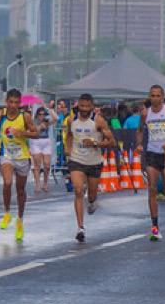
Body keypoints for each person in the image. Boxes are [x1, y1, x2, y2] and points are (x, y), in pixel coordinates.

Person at [63, 94, 114, 242]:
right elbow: (69, 136)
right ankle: (80, 228)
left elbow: (111, 141)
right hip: (76, 160)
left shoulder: (98, 120)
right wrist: (67, 149)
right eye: (81, 106)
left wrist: (95, 144)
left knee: (91, 195)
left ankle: (92, 201)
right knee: (78, 191)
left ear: (92, 106)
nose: (84, 109)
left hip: (94, 162)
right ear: (78, 105)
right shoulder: (71, 119)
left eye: (87, 106)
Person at [0, 89, 39, 241]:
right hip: (7, 155)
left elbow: (35, 133)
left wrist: (22, 133)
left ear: (20, 103)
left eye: (16, 102)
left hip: (22, 157)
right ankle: (6, 213)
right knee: (7, 182)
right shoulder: (1, 114)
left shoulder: (25, 116)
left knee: (20, 190)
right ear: (6, 101)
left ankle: (20, 220)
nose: (13, 105)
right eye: (10, 102)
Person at [136, 85, 165, 241]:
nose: (155, 98)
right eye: (152, 96)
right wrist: (139, 144)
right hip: (152, 154)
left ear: (162, 97)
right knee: (152, 188)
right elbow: (140, 130)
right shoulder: (145, 113)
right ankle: (155, 226)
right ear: (149, 97)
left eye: (158, 96)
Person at [29, 107, 56, 194]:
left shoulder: (46, 122)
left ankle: (45, 183)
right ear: (37, 115)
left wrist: (49, 109)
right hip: (36, 142)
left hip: (46, 142)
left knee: (47, 165)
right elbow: (33, 130)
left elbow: (55, 119)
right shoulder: (33, 121)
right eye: (40, 114)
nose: (41, 116)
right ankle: (37, 184)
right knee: (37, 165)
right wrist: (39, 127)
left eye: (43, 114)